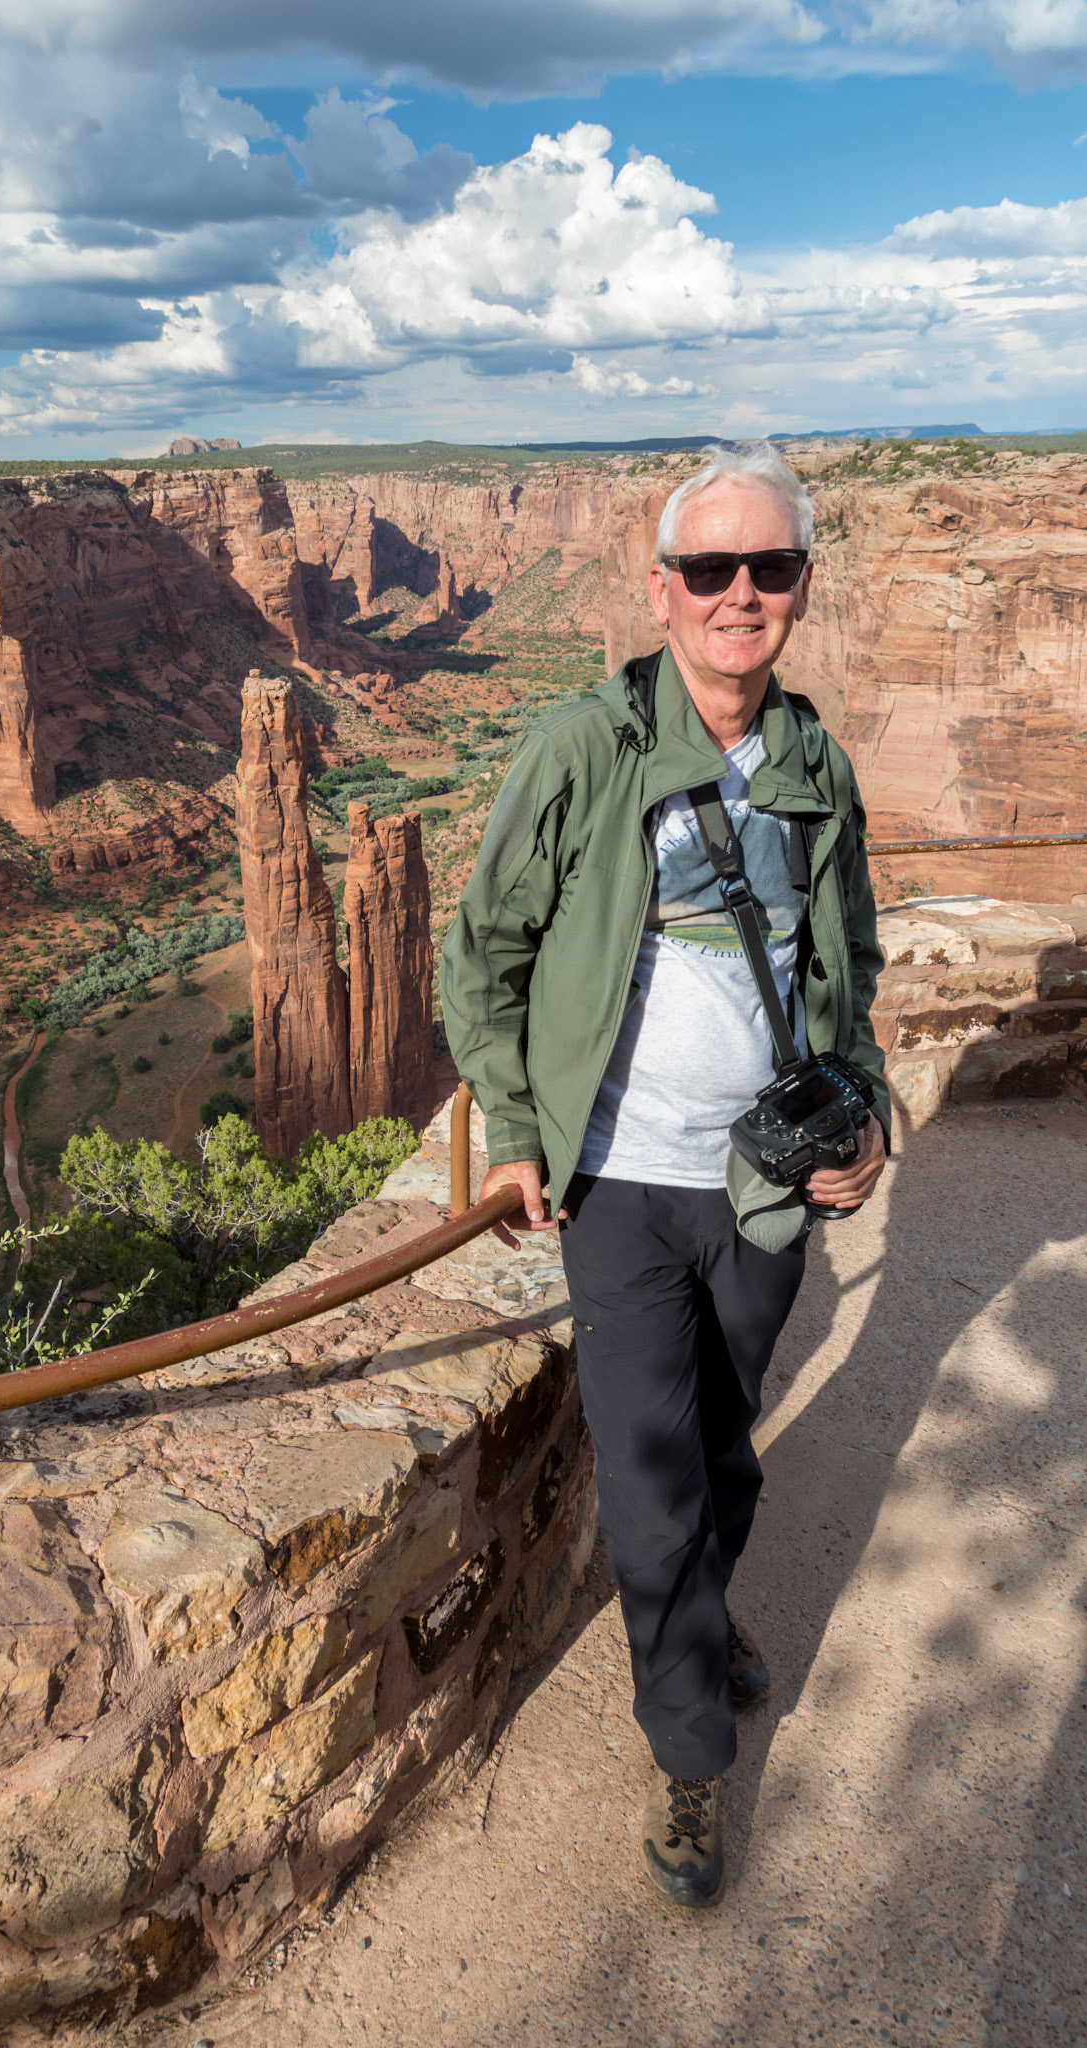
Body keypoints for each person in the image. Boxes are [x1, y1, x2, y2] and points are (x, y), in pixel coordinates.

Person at [439, 442, 889, 1908]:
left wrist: (864, 1115)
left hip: (766, 1182)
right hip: (619, 1180)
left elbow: (851, 964)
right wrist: (516, 1125)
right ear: (660, 590)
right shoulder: (584, 749)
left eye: (770, 567)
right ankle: (690, 1750)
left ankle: (696, 1620)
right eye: (709, 568)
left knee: (722, 1444)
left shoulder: (814, 764)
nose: (738, 594)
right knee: (646, 1477)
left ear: (800, 585)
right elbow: (484, 947)